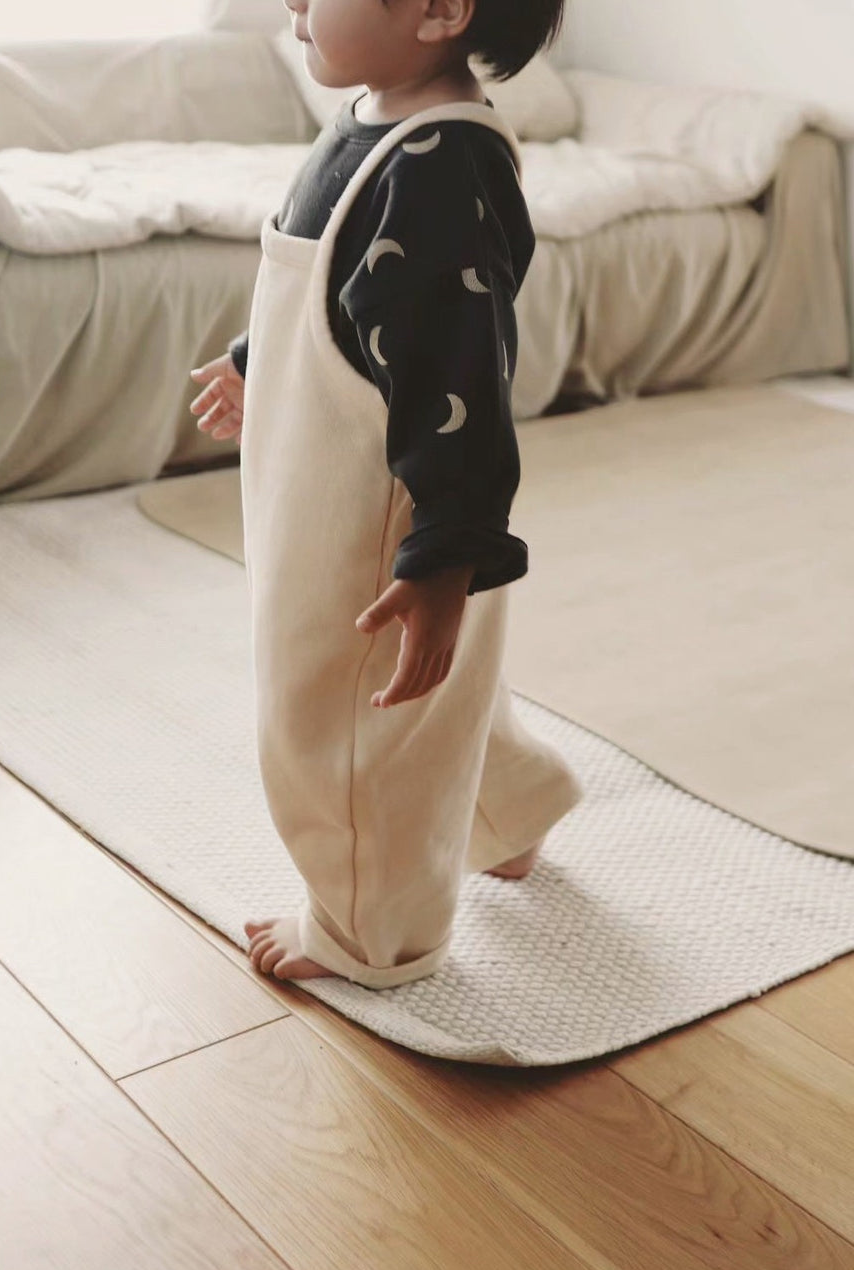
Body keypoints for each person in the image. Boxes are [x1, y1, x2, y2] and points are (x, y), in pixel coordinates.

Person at [189, 0, 582, 989]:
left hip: (386, 513)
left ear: (439, 10)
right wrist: (255, 360)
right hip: (320, 464)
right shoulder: (375, 119)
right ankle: (509, 815)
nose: (295, 1)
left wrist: (444, 556)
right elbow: (343, 286)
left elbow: (459, 374)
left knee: (342, 716)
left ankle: (369, 928)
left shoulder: (442, 169)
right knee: (435, 697)